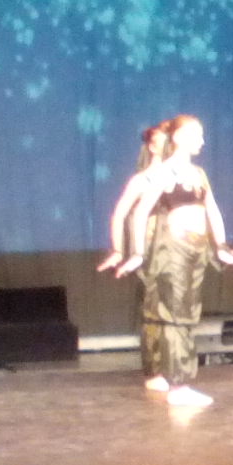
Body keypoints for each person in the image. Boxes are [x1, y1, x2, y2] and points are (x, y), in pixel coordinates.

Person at [118, 115, 233, 407]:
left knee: (186, 312)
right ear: (177, 138)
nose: (202, 141)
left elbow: (212, 209)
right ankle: (178, 384)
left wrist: (221, 247)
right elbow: (140, 213)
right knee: (176, 314)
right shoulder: (164, 172)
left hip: (195, 249)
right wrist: (137, 253)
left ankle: (172, 378)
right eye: (195, 135)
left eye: (202, 135)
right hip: (172, 251)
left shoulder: (198, 173)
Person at [96, 122, 171, 392]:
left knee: (176, 310)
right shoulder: (142, 180)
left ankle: (175, 365)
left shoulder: (183, 175)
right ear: (152, 146)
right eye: (163, 140)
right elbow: (119, 214)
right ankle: (154, 370)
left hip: (178, 250)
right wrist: (119, 250)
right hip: (150, 250)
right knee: (154, 310)